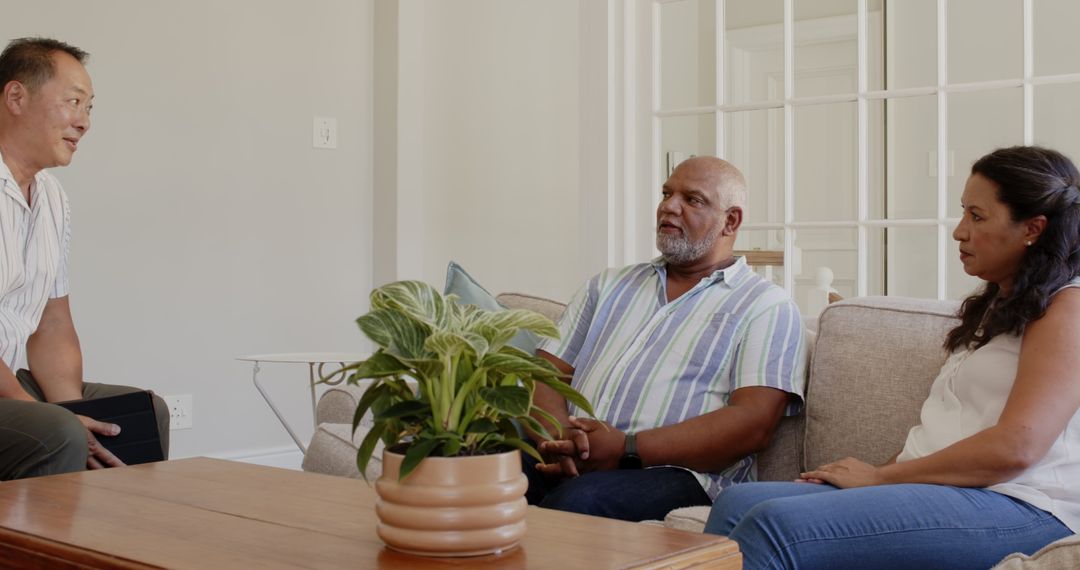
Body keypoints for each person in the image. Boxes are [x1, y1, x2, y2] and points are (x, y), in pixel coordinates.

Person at [704, 145, 1080, 569]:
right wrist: (875, 478)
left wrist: (880, 477)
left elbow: (1017, 448)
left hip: (1024, 504)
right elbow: (943, 435)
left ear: (1032, 228)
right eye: (963, 213)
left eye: (977, 217)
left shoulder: (1066, 308)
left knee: (773, 525)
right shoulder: (997, 306)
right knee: (736, 503)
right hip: (944, 491)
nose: (959, 232)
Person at [525, 156, 807, 522]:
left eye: (692, 199)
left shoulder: (766, 305)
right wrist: (562, 442)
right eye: (666, 193)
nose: (669, 207)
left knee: (581, 502)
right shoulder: (608, 285)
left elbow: (753, 423)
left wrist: (625, 448)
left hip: (677, 474)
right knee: (473, 468)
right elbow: (546, 374)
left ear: (731, 221)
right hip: (573, 456)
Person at [0, 37, 169, 480]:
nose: (84, 122)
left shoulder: (52, 197)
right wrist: (45, 414)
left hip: (8, 386)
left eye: (89, 108)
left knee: (145, 415)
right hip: (6, 392)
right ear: (16, 97)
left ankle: (115, 527)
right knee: (58, 432)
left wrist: (74, 410)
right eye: (73, 102)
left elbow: (53, 324)